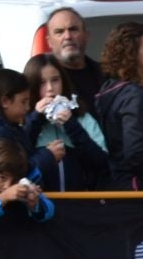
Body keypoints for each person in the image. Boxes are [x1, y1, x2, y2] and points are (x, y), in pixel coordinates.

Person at [95, 21, 143, 190]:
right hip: (141, 190)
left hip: (120, 184)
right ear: (131, 54)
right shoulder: (135, 95)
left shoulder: (108, 90)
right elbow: (134, 152)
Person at [20, 56, 112, 192]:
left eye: (55, 80)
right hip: (41, 204)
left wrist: (72, 126)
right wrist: (35, 120)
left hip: (80, 203)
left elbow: (103, 164)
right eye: (41, 83)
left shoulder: (82, 117)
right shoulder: (23, 119)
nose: (50, 89)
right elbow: (18, 164)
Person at [0, 137, 52, 229]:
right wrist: (2, 198)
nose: (7, 186)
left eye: (14, 180)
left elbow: (49, 209)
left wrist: (35, 204)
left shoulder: (26, 170)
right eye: (2, 178)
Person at [44, 7, 104, 103]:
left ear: (86, 36)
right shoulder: (41, 82)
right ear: (49, 42)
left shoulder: (106, 76)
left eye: (73, 30)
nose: (67, 36)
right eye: (59, 32)